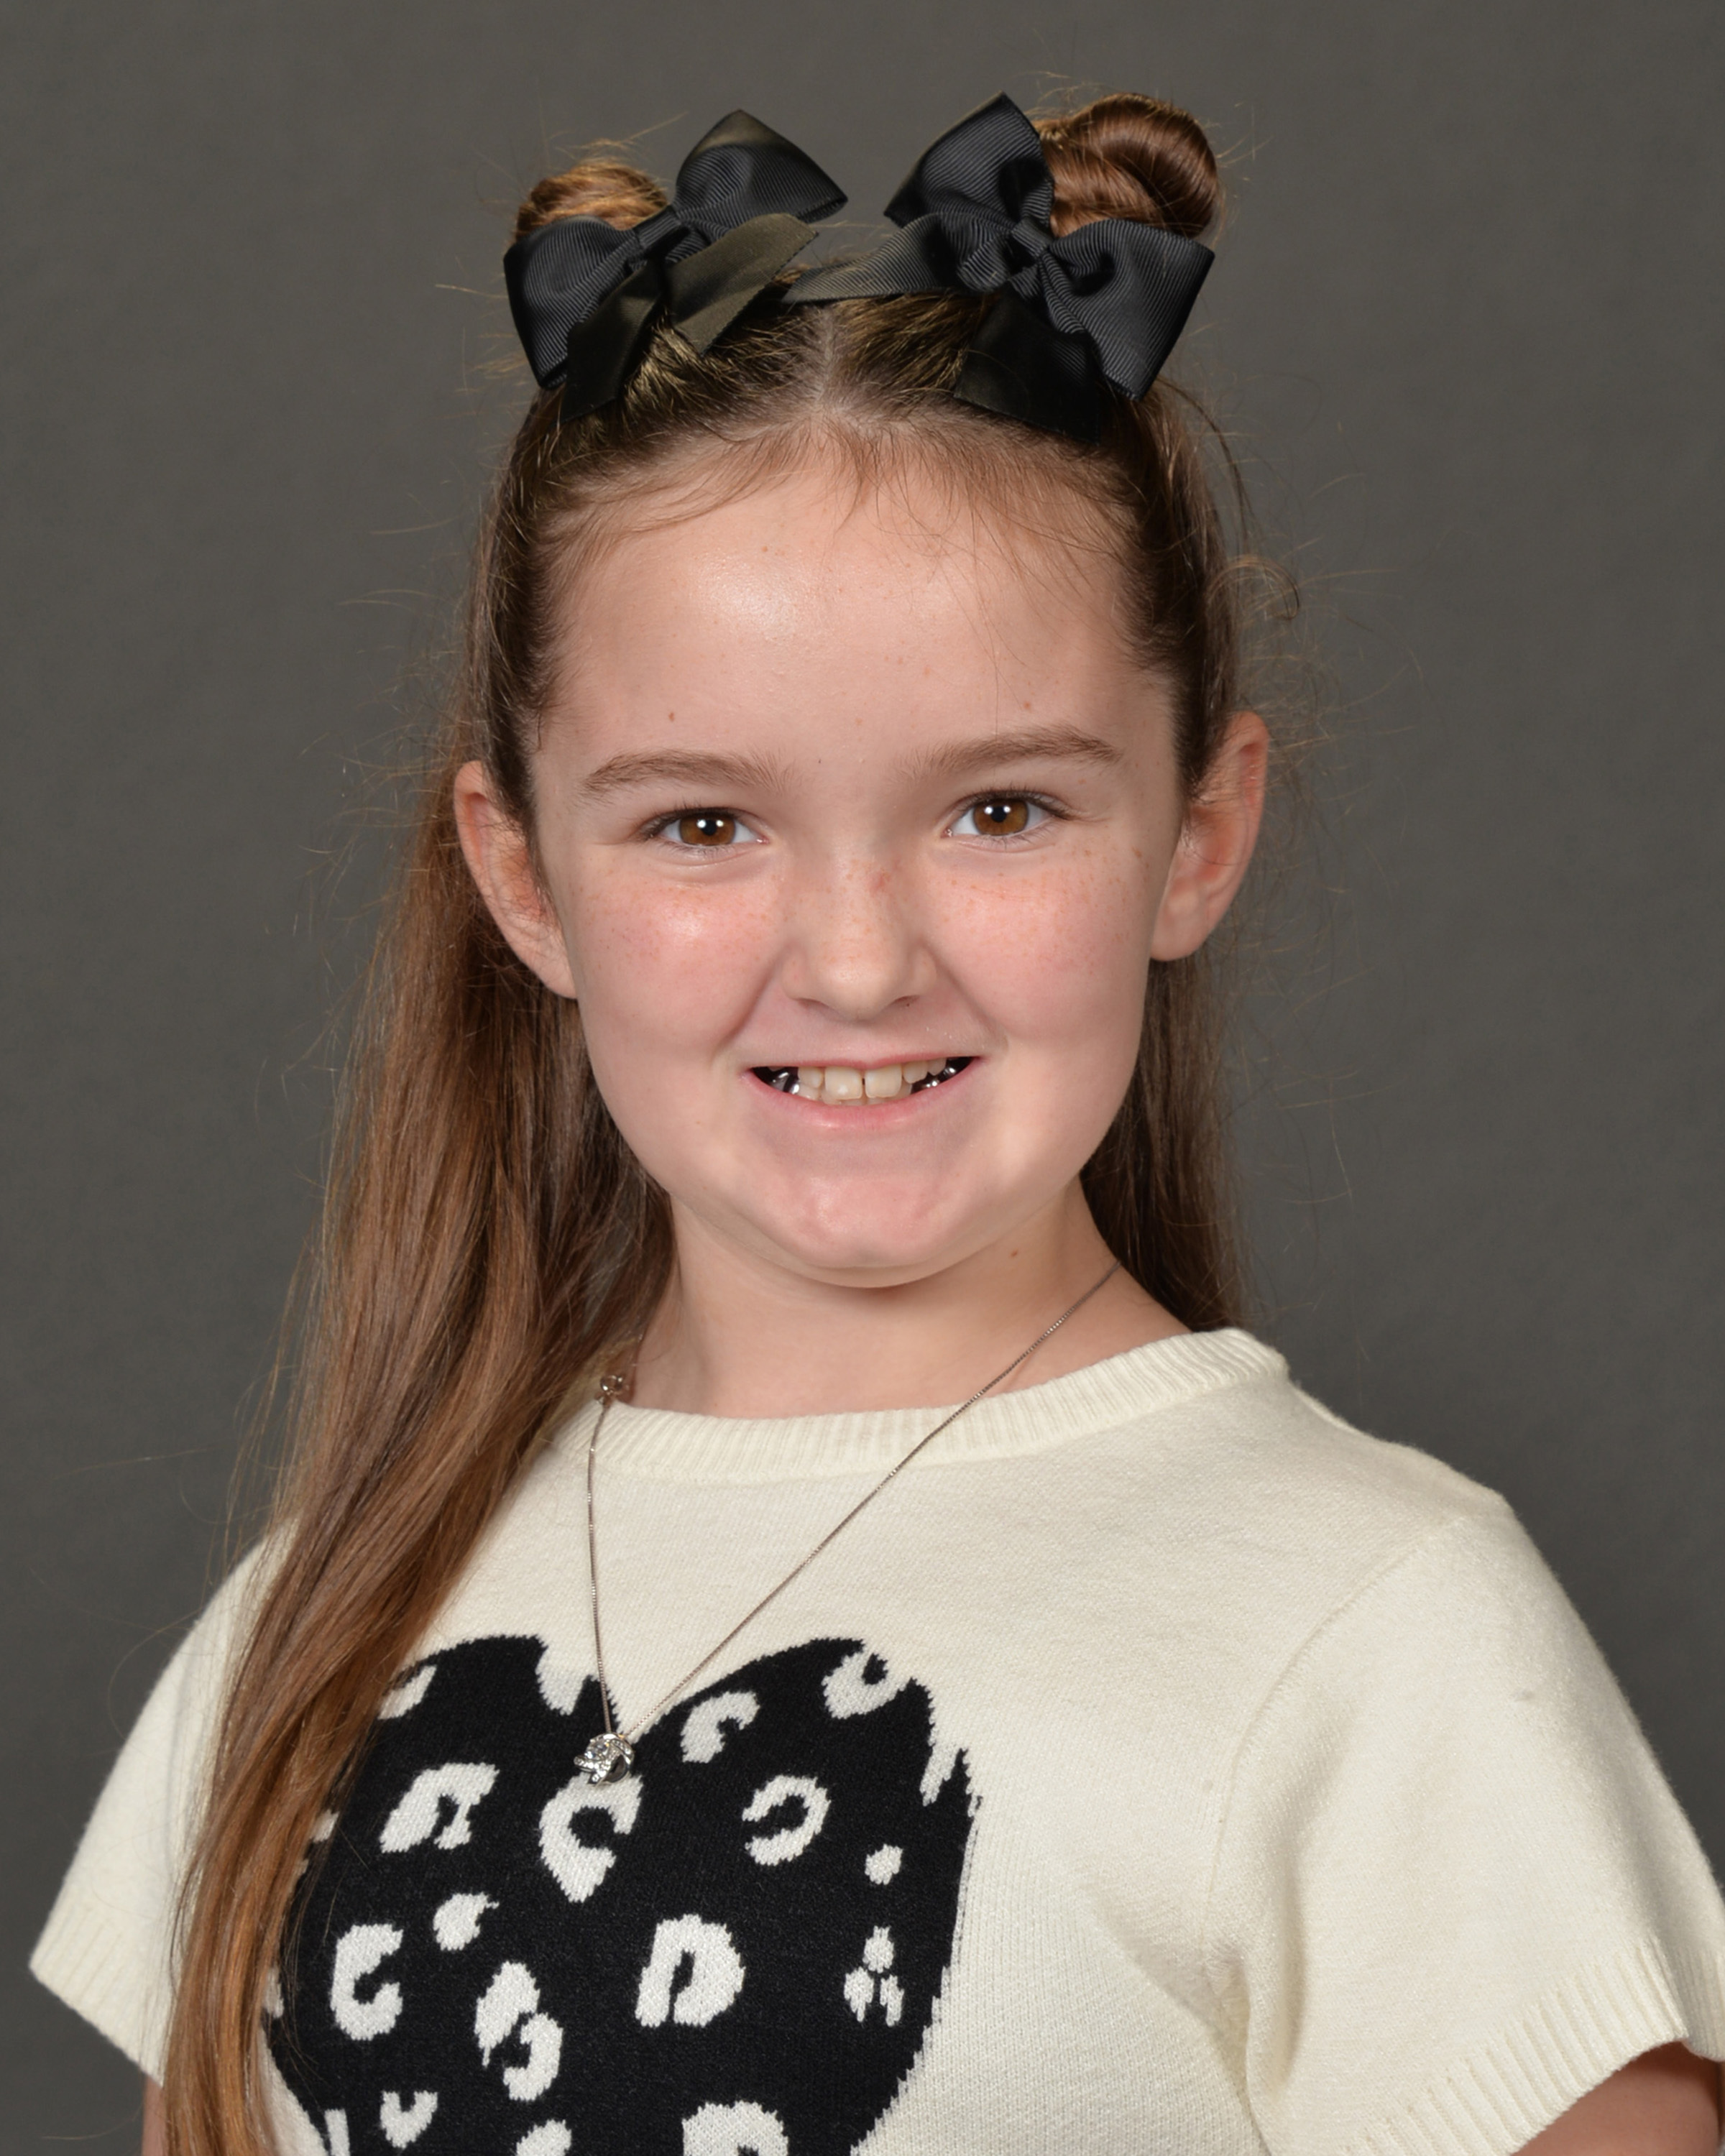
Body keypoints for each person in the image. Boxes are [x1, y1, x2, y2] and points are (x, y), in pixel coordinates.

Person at [31, 90, 1725, 2156]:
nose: (854, 962)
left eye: (1000, 809)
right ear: (523, 876)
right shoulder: (312, 1628)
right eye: (702, 824)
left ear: (1200, 834)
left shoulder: (1382, 1643)